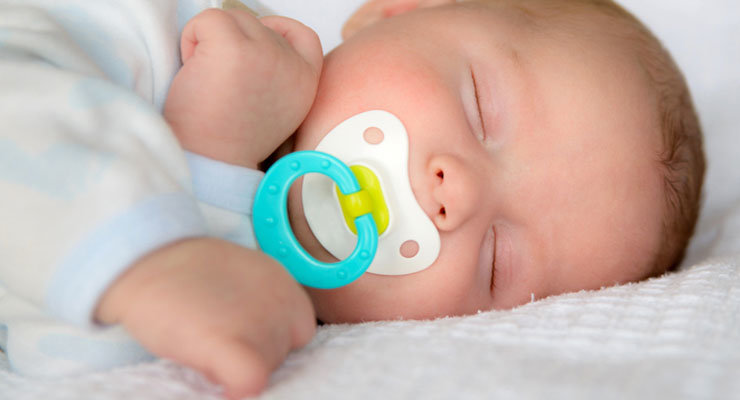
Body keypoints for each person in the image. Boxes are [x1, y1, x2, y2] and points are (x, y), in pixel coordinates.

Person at [0, 0, 704, 398]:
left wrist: (208, 180)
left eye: (497, 262)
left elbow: (63, 371)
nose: (452, 196)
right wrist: (159, 247)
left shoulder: (267, 329)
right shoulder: (169, 34)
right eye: (481, 107)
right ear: (393, 13)